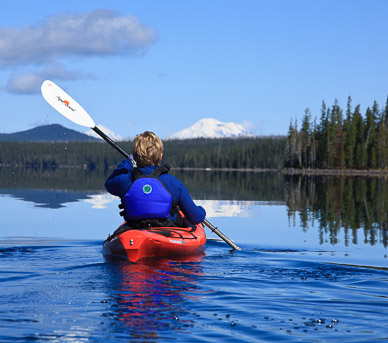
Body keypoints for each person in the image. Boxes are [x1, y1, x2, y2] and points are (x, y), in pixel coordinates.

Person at [105, 131, 206, 228]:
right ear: (160, 157)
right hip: (167, 232)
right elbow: (196, 217)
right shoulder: (172, 182)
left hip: (135, 231)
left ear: (135, 157)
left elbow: (109, 183)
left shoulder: (124, 181)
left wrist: (128, 162)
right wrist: (202, 211)